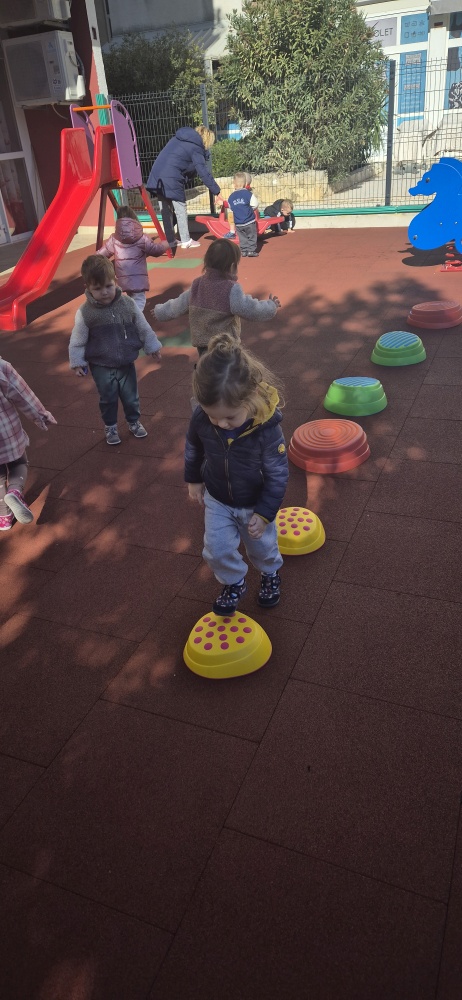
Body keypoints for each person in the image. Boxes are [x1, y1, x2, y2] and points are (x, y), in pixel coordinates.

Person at [185, 333, 288, 615]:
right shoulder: (201, 418)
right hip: (218, 498)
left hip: (255, 501)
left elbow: (278, 474)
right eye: (213, 416)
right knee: (215, 549)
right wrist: (194, 478)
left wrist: (264, 514)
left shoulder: (267, 430)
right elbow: (194, 446)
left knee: (262, 547)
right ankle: (234, 582)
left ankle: (270, 573)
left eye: (230, 417)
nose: (221, 424)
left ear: (250, 398)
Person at [69, 255, 162, 446]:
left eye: (108, 286)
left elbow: (142, 326)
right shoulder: (86, 312)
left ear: (115, 282)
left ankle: (133, 421)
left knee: (131, 396)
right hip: (101, 364)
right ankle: (110, 426)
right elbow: (78, 339)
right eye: (97, 288)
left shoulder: (127, 304)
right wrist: (77, 362)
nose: (104, 292)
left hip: (126, 362)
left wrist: (152, 346)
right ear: (88, 288)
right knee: (108, 397)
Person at [153, 238, 280, 359]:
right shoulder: (231, 289)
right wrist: (271, 306)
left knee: (207, 370)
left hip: (203, 344)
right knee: (228, 371)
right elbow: (250, 308)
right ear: (232, 266)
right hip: (225, 345)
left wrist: (160, 311)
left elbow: (178, 305)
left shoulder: (197, 284)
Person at [0, 357, 56, 530]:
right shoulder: (2, 367)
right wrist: (41, 416)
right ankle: (15, 491)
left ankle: (4, 517)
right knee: (19, 463)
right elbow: (23, 395)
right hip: (6, 432)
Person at [146, 125, 220, 250]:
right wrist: (217, 192)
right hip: (172, 177)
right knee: (180, 208)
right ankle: (186, 240)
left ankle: (170, 240)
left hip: (157, 176)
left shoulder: (178, 139)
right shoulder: (196, 147)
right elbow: (203, 172)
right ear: (207, 140)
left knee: (165, 209)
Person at [97, 205, 169, 312]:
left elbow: (101, 255)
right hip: (138, 279)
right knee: (139, 301)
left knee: (130, 299)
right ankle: (134, 318)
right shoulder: (142, 237)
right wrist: (166, 244)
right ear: (134, 218)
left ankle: (129, 315)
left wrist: (93, 262)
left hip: (123, 279)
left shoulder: (114, 238)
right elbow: (156, 250)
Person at [217, 172, 259, 257]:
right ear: (245, 184)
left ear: (234, 184)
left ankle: (243, 250)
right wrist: (250, 209)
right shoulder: (248, 194)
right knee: (252, 235)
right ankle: (251, 250)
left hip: (238, 223)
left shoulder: (232, 196)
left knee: (242, 237)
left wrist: (224, 203)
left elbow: (230, 207)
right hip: (249, 221)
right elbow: (255, 204)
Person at [224, 171, 253, 240]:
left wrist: (224, 203)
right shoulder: (247, 192)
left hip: (244, 214)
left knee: (231, 215)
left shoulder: (243, 192)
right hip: (247, 213)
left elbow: (233, 203)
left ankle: (232, 232)